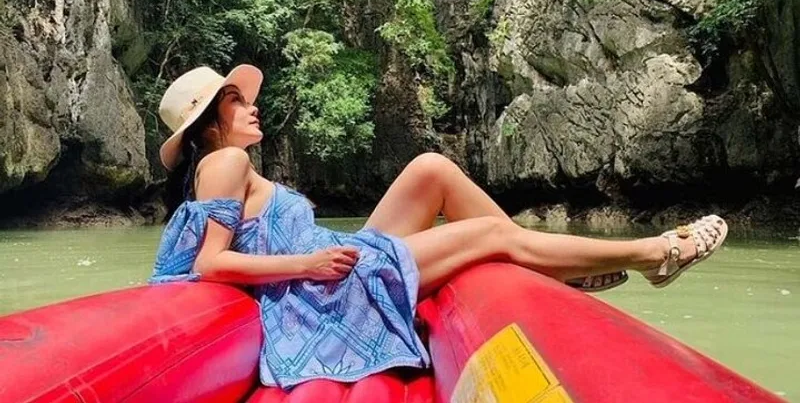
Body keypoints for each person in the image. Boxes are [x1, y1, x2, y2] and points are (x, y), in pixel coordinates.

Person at [150, 64, 728, 389]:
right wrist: (310, 264)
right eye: (234, 100)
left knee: (431, 169)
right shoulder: (226, 161)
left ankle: (550, 263)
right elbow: (211, 263)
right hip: (331, 287)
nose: (251, 105)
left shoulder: (228, 165)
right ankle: (651, 254)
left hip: (336, 267)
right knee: (493, 237)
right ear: (208, 123)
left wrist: (317, 258)